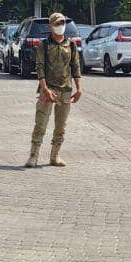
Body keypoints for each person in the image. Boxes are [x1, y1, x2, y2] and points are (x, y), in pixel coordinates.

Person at [25, 12, 82, 168]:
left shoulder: (71, 45)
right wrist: (45, 89)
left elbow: (75, 67)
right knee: (40, 124)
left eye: (63, 23)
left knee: (60, 127)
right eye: (57, 24)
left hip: (65, 91)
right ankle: (33, 155)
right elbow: (40, 68)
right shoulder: (43, 45)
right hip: (47, 90)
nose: (61, 26)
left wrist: (79, 88)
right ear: (50, 26)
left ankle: (54, 156)